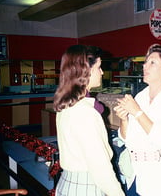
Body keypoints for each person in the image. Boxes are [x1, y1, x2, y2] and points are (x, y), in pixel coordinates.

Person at [113, 43, 161, 196]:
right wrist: (124, 120)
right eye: (145, 62)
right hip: (135, 173)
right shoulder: (140, 97)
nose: (145, 67)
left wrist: (136, 112)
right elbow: (125, 137)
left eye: (152, 63)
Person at [53, 45, 125, 196]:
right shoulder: (85, 113)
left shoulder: (67, 106)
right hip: (87, 186)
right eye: (99, 67)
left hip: (68, 182)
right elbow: (100, 168)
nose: (102, 72)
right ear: (86, 71)